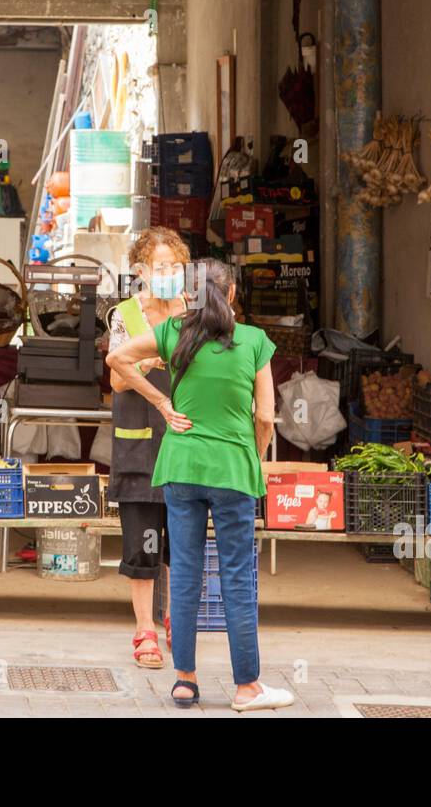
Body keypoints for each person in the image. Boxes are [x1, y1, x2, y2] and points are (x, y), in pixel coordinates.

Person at [107, 258, 295, 712]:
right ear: (231, 295)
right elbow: (265, 416)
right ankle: (247, 687)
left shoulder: (175, 332)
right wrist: (252, 452)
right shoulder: (254, 342)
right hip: (232, 471)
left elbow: (117, 360)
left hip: (181, 468)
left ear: (188, 293)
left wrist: (162, 402)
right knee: (236, 577)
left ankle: (185, 682)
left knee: (186, 572)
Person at [105, 227, 190, 669]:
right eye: (161, 267)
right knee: (142, 544)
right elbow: (117, 379)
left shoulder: (194, 312)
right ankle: (145, 630)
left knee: (181, 542)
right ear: (141, 271)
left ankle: (176, 619)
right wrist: (149, 360)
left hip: (186, 442)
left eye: (176, 267)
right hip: (139, 446)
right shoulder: (125, 316)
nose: (170, 274)